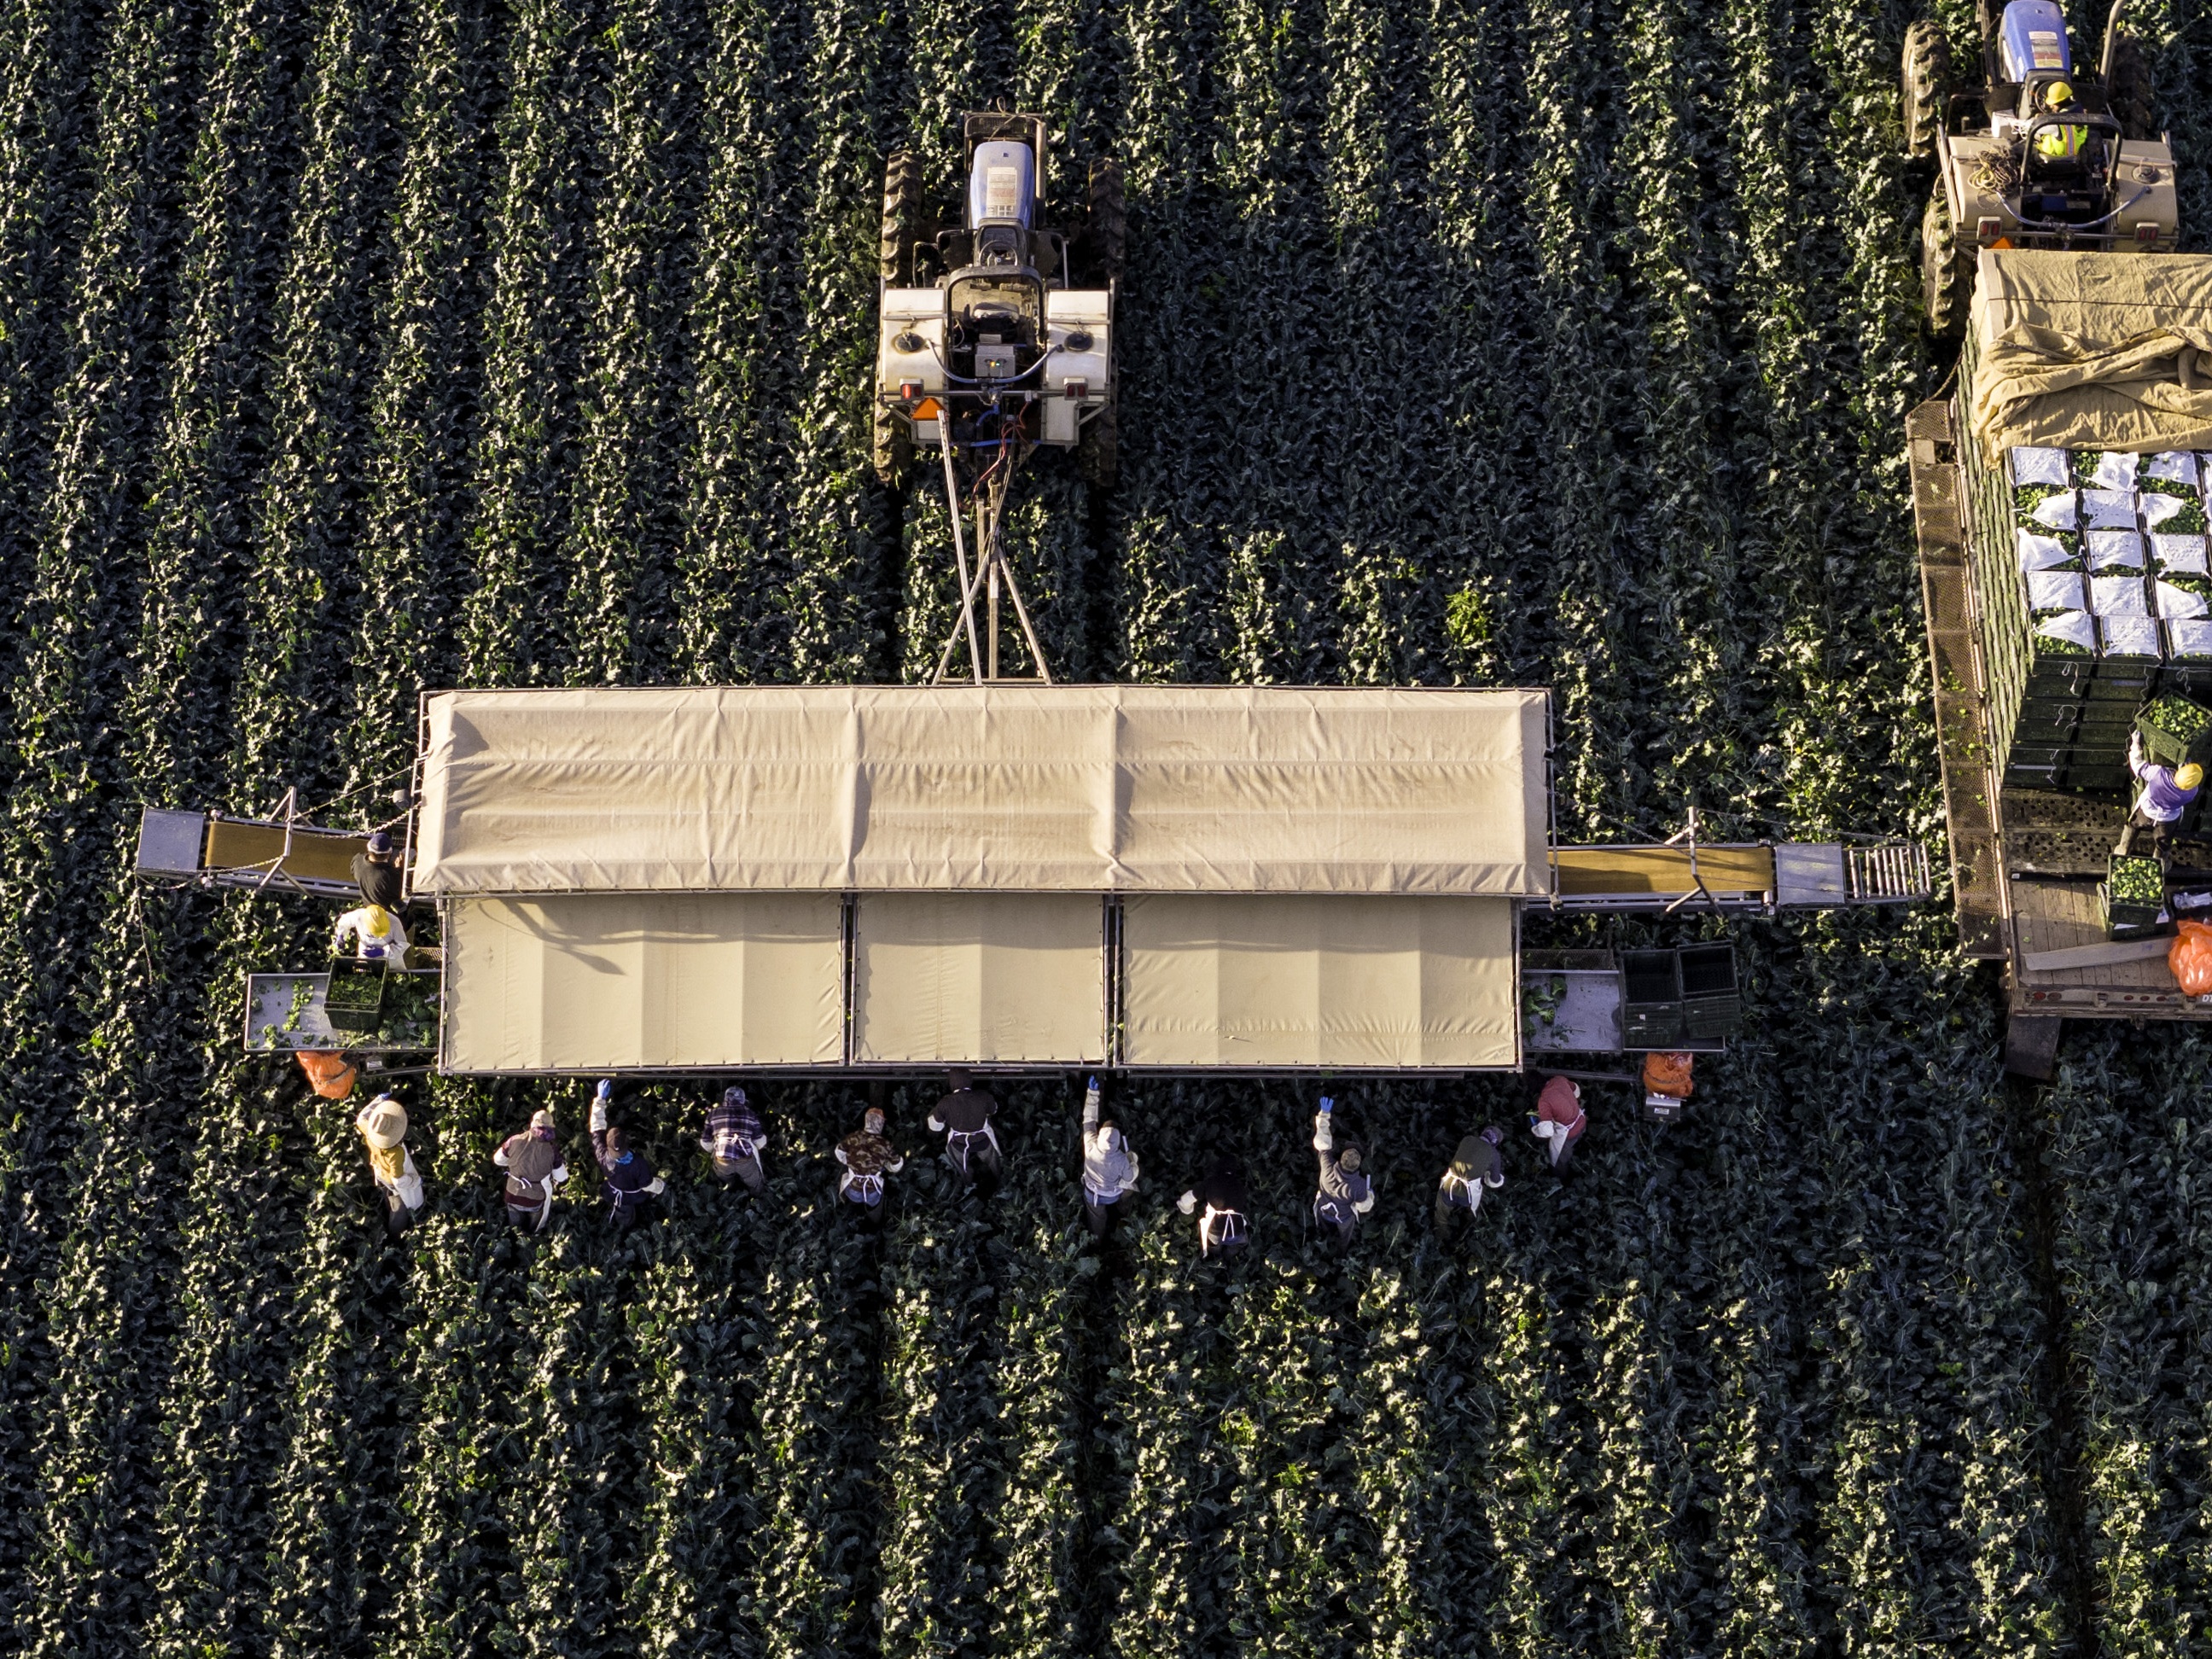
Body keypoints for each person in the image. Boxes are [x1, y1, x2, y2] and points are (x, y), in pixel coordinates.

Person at [589, 1080, 665, 1231]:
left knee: (623, 1210)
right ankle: (627, 1229)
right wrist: (661, 1187)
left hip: (613, 1191)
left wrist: (600, 1099)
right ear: (627, 1143)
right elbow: (647, 1184)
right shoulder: (637, 1163)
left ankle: (622, 1226)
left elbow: (597, 1126)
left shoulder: (602, 1155)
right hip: (632, 1196)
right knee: (628, 1211)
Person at [2116, 731, 2202, 860]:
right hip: (2168, 819)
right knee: (2164, 842)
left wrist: (2135, 744)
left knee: (2132, 826)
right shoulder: (2191, 793)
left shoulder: (2159, 775)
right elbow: (2186, 783)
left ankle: (2122, 851)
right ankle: (2160, 860)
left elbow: (2137, 764)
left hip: (2146, 811)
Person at [354, 1093, 424, 1238]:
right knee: (400, 1210)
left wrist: (379, 1099)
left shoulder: (370, 1131)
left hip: (380, 1173)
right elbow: (398, 1179)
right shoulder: (395, 1153)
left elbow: (361, 1117)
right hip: (394, 1183)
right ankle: (395, 1236)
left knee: (387, 1195)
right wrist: (414, 1181)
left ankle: (388, 1209)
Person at [1080, 1075, 1138, 1236]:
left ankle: (1097, 1240)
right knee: (1129, 1191)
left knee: (1097, 1218)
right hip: (1112, 1195)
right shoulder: (1121, 1159)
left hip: (1094, 1195)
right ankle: (1124, 1218)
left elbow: (1089, 1120)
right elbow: (1129, 1178)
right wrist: (1133, 1161)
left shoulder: (1090, 1145)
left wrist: (1092, 1093)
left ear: (1099, 1135)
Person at [1311, 1097, 1374, 1247]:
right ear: (1357, 1166)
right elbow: (1363, 1206)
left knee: (1322, 1228)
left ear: (1340, 1159)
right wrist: (1370, 1194)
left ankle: (1322, 1241)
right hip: (1343, 1218)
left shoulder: (1327, 1165)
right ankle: (1342, 1251)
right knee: (1345, 1236)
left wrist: (1324, 1114)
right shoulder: (1359, 1185)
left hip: (1323, 1210)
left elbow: (1322, 1142)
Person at [496, 1106, 568, 1231]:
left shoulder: (514, 1140)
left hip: (513, 1194)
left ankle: (516, 1242)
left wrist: (514, 1163)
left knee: (515, 1228)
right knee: (533, 1228)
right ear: (550, 1128)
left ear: (532, 1124)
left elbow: (498, 1160)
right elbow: (562, 1178)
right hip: (534, 1199)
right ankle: (531, 1239)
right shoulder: (552, 1150)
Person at [928, 1068, 1002, 1190]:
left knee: (961, 1164)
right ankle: (999, 1179)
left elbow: (935, 1127)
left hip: (960, 1144)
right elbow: (993, 1110)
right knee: (993, 1160)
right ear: (970, 1080)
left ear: (951, 1083)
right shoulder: (983, 1096)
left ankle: (966, 1184)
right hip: (982, 1141)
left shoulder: (945, 1103)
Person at [1436, 1126, 1505, 1232]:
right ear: (1495, 1143)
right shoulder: (1494, 1154)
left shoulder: (1467, 1139)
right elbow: (1494, 1181)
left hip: (1448, 1185)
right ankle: (1467, 1229)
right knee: (1472, 1212)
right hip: (1468, 1195)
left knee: (1442, 1213)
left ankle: (1442, 1234)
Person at [1177, 1158, 1250, 1258]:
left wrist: (1186, 1208)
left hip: (1216, 1231)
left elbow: (1190, 1197)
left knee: (1214, 1244)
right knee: (1238, 1243)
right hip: (1236, 1231)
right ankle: (1229, 1257)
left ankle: (1215, 1255)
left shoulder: (1211, 1182)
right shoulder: (1240, 1185)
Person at [835, 1107, 905, 1212]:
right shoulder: (885, 1144)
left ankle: (853, 1217)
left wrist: (849, 1161)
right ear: (881, 1123)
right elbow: (897, 1165)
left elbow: (838, 1151)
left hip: (853, 1189)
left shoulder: (854, 1137)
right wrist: (885, 1165)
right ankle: (875, 1217)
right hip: (873, 1191)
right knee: (874, 1208)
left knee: (854, 1209)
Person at [700, 1086, 766, 1192]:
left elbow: (705, 1142)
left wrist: (715, 1147)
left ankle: (729, 1189)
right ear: (743, 1100)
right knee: (754, 1180)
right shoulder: (750, 1114)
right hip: (745, 1160)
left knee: (725, 1179)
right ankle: (757, 1195)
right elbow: (760, 1141)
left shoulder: (713, 1114)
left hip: (722, 1160)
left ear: (725, 1098)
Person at [1528, 1075, 1586, 1171]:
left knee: (1559, 1161)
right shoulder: (1559, 1080)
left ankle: (1561, 1179)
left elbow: (1547, 1131)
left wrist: (1535, 1129)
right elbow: (1576, 1089)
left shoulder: (1544, 1100)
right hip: (1582, 1120)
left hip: (1570, 1133)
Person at [331, 901, 409, 964]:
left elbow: (402, 946)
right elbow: (343, 923)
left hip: (391, 958)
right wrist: (341, 936)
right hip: (366, 953)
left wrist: (383, 952)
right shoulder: (359, 916)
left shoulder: (395, 922)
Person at [352, 829, 404, 910]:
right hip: (387, 914)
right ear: (389, 853)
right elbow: (398, 892)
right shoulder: (390, 874)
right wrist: (399, 869)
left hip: (369, 912)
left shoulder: (357, 860)